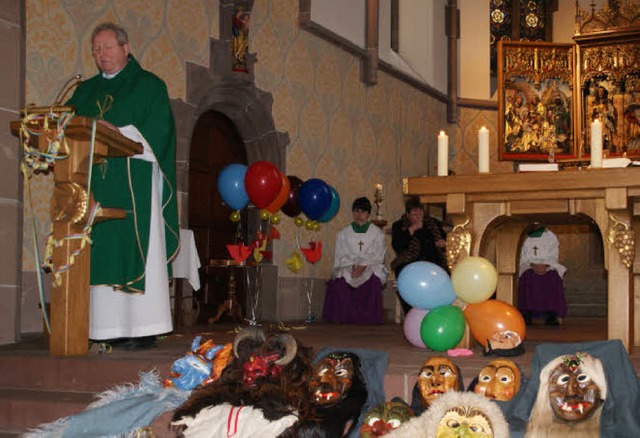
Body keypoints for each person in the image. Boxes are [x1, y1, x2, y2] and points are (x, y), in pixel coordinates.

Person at [67, 22, 180, 350]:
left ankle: (141, 328)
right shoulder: (83, 92)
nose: (101, 55)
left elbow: (160, 134)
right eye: (96, 49)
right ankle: (100, 328)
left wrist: (117, 132)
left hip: (135, 185)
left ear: (125, 48)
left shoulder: (149, 86)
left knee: (132, 246)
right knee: (97, 248)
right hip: (94, 187)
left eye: (107, 47)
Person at [322, 197, 388, 324]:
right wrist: (353, 266)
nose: (359, 215)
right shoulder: (344, 233)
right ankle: (343, 317)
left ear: (368, 214)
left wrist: (362, 266)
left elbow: (378, 255)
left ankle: (369, 318)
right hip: (349, 266)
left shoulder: (376, 233)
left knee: (373, 276)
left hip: (370, 265)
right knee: (341, 276)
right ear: (353, 213)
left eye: (363, 212)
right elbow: (341, 255)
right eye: (356, 211)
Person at [391, 197, 447, 315]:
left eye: (420, 214)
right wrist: (411, 229)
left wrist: (443, 243)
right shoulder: (399, 225)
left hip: (433, 263)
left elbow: (446, 241)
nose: (418, 217)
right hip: (410, 264)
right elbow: (398, 245)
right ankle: (411, 312)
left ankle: (436, 311)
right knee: (401, 275)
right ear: (407, 215)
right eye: (414, 215)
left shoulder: (433, 223)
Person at [517, 225, 567, 326]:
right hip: (530, 267)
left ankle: (551, 314)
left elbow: (553, 254)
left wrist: (546, 265)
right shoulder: (524, 235)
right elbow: (522, 256)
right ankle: (526, 314)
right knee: (527, 277)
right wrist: (532, 264)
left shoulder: (550, 236)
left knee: (553, 278)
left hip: (547, 267)